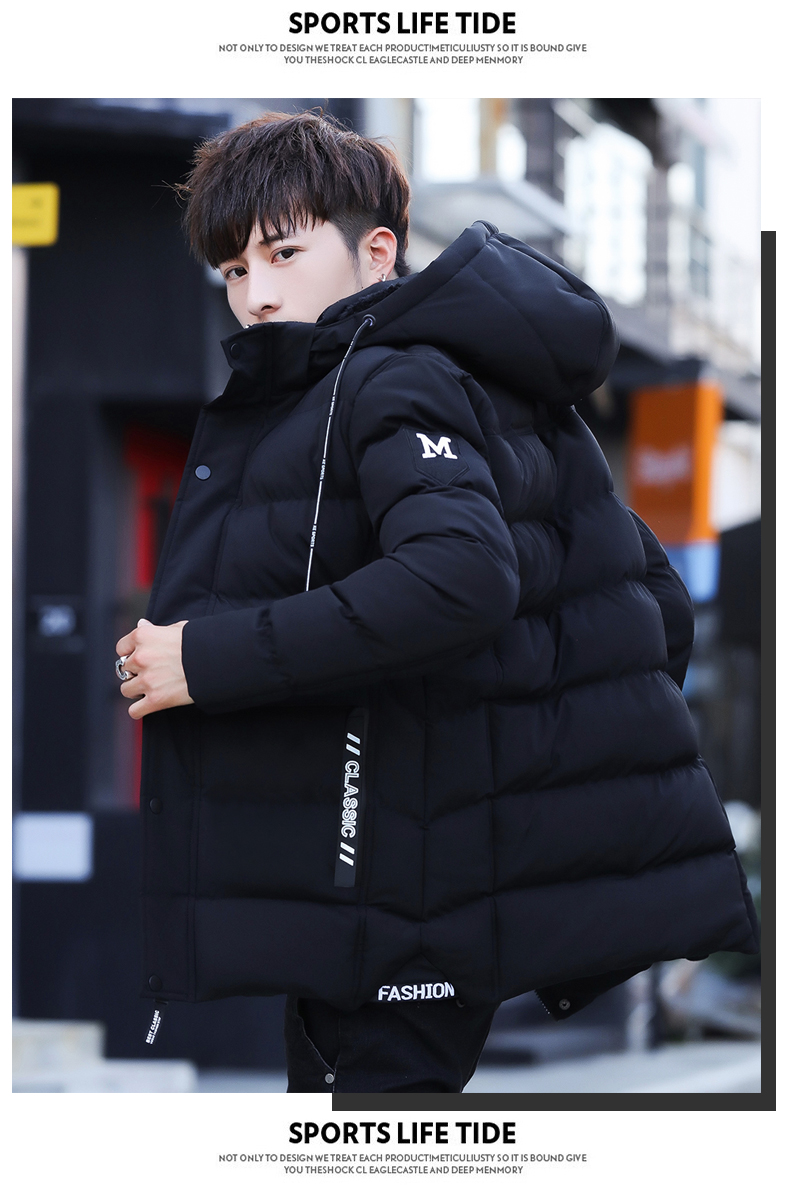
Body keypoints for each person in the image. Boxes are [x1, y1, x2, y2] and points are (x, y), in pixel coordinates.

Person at [115, 111, 759, 1093]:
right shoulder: (465, 381)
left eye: (283, 253)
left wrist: (204, 657)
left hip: (401, 896)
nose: (256, 293)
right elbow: (648, 602)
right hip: (408, 885)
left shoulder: (391, 378)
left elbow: (461, 577)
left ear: (376, 253)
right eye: (235, 269)